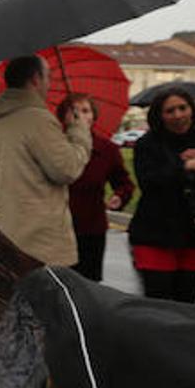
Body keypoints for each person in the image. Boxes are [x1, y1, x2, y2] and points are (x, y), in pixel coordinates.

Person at [0, 54, 92, 266]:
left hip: (2, 233)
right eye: (48, 77)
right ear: (36, 79)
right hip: (39, 243)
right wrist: (80, 131)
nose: (49, 84)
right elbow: (67, 169)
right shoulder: (37, 119)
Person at [127, 88, 195, 303]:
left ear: (192, 110)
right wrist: (185, 166)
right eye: (170, 111)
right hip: (155, 233)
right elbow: (149, 183)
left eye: (182, 108)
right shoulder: (148, 144)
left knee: (186, 303)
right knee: (158, 303)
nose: (178, 115)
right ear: (160, 115)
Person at [62, 94, 135, 282]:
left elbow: (124, 183)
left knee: (87, 288)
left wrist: (119, 197)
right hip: (57, 230)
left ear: (94, 116)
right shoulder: (55, 147)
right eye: (73, 111)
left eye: (85, 111)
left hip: (91, 230)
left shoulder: (107, 149)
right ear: (63, 117)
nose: (79, 116)